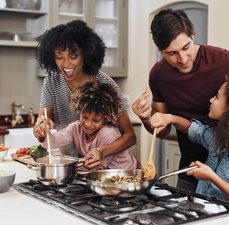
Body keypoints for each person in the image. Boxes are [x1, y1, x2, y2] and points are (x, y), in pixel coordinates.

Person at [132, 8, 229, 192]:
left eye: (186, 47)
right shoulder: (158, 74)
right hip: (190, 171)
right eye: (172, 53)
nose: (183, 59)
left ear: (193, 36)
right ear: (160, 51)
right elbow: (161, 130)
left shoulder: (223, 60)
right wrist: (146, 118)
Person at [33, 20, 136, 169]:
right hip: (73, 165)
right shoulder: (51, 81)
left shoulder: (106, 85)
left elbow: (130, 136)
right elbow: (43, 124)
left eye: (73, 56)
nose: (66, 64)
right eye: (59, 57)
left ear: (86, 54)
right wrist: (41, 128)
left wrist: (101, 151)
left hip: (105, 168)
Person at [150, 80, 229, 201]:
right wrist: (169, 118)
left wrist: (211, 176)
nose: (211, 100)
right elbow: (192, 129)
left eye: (217, 97)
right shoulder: (217, 137)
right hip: (205, 209)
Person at [39, 80, 137, 171]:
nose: (88, 124)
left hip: (126, 172)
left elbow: (97, 167)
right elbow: (52, 142)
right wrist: (43, 135)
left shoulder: (107, 134)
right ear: (79, 111)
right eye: (84, 117)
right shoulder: (75, 128)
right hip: (103, 175)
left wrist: (66, 168)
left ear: (106, 118)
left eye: (96, 120)